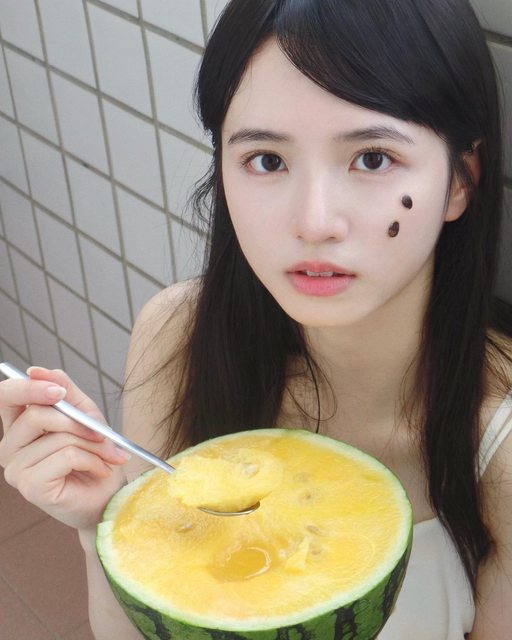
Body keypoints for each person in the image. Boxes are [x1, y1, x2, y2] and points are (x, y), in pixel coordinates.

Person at [1, 0, 511, 637]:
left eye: (373, 158)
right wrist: (101, 524)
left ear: (460, 181)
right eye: (267, 160)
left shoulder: (500, 444)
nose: (314, 222)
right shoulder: (176, 335)